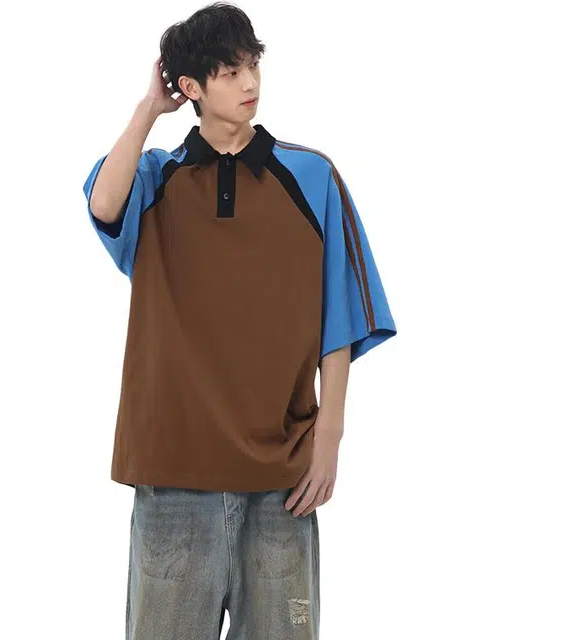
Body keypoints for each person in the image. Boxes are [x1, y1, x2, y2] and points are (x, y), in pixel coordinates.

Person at [82, 2, 397, 638]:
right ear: (191, 87)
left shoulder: (312, 177)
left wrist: (330, 437)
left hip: (281, 479)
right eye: (230, 71)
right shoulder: (155, 178)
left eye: (253, 64)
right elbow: (104, 204)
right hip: (171, 472)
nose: (250, 82)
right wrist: (149, 109)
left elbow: (339, 313)